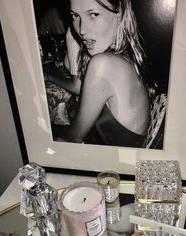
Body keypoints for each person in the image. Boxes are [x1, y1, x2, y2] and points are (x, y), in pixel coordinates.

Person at [47, 0, 165, 148]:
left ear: (120, 14)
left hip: (110, 168)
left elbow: (73, 138)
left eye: (94, 14)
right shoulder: (127, 56)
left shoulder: (103, 64)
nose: (82, 30)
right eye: (75, 16)